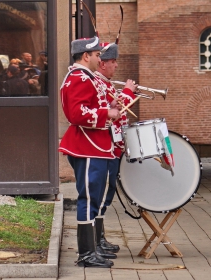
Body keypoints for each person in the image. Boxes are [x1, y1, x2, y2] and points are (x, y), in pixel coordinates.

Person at [59, 36, 122, 268]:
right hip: (87, 146)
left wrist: (109, 108)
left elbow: (90, 107)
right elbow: (76, 114)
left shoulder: (84, 77)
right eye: (97, 55)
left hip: (95, 145)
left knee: (94, 198)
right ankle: (86, 254)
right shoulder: (78, 77)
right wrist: (107, 114)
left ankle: (93, 248)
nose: (100, 59)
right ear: (86, 56)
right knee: (88, 198)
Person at [94, 42, 137, 255]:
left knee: (108, 193)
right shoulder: (99, 84)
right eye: (113, 62)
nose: (116, 65)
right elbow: (112, 112)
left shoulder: (107, 84)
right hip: (106, 146)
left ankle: (99, 238)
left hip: (114, 147)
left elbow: (115, 107)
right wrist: (128, 93)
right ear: (102, 64)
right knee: (102, 193)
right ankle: (95, 240)